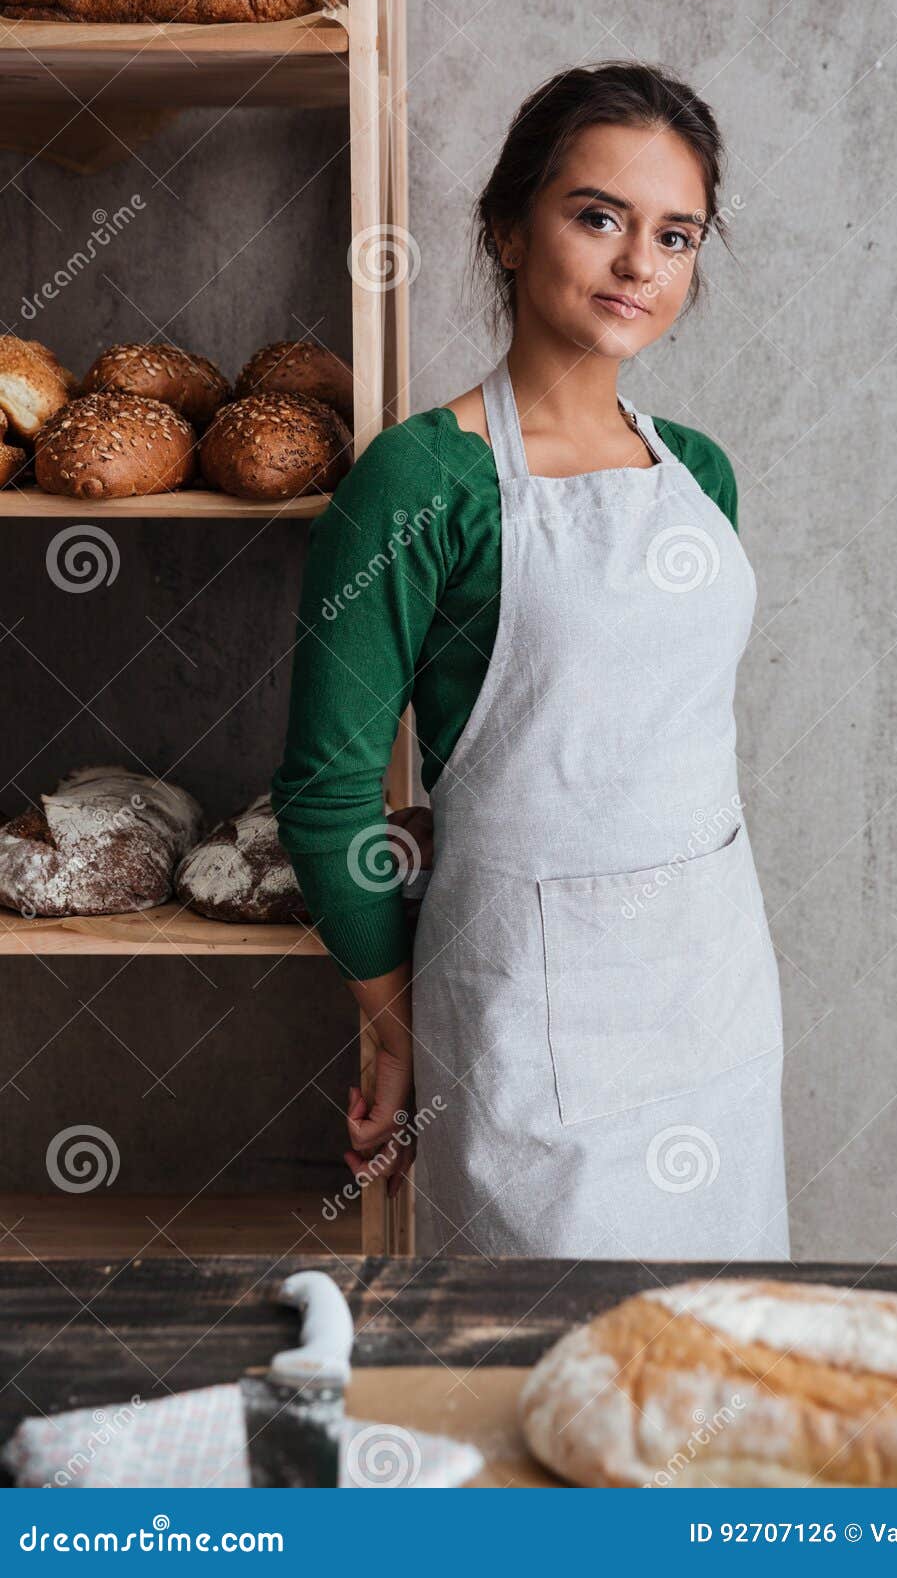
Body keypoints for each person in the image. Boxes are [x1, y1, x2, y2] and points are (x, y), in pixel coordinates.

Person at [271, 61, 790, 1261]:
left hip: (711, 991)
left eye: (675, 234)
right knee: (541, 1383)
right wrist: (394, 1027)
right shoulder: (419, 480)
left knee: (712, 1368)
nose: (637, 265)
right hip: (525, 1016)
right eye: (596, 216)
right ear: (507, 228)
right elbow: (325, 789)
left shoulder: (698, 475)